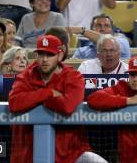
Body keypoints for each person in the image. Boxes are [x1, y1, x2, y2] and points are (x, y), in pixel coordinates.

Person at [8, 35, 106, 163]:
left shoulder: (73, 77)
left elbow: (68, 106)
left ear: (59, 56)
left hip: (71, 153)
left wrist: (34, 98)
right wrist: (48, 93)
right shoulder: (26, 76)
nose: (44, 59)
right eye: (41, 54)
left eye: (49, 55)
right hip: (30, 153)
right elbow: (14, 103)